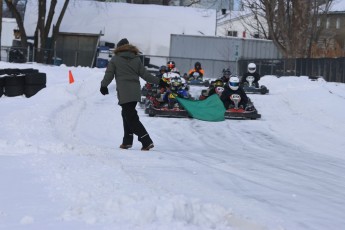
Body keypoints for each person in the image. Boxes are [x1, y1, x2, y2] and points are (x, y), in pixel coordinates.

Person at [100, 38, 169, 151]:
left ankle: (146, 141)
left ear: (119, 48)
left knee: (131, 118)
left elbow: (109, 74)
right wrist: (160, 81)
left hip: (124, 92)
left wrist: (103, 86)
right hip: (134, 92)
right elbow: (146, 75)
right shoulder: (136, 59)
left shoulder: (115, 59)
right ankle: (127, 141)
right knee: (126, 114)